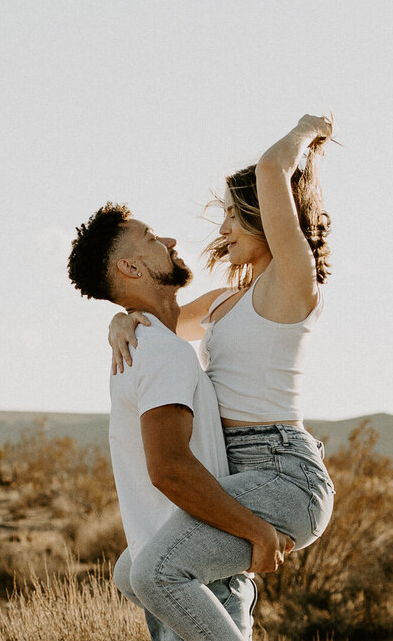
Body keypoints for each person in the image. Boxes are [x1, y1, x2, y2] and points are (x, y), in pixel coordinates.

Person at [105, 113, 335, 641]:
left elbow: (275, 168)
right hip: (233, 473)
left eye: (235, 215)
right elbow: (158, 320)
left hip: (282, 472)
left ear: (268, 217)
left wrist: (307, 129)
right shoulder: (223, 302)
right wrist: (118, 320)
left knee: (159, 573)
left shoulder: (292, 284)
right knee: (131, 570)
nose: (223, 229)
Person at [66, 205, 286, 641]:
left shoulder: (144, 344)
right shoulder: (163, 353)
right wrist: (257, 531)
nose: (169, 241)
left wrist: (120, 316)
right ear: (130, 266)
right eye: (151, 238)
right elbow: (169, 468)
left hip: (170, 571)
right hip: (196, 579)